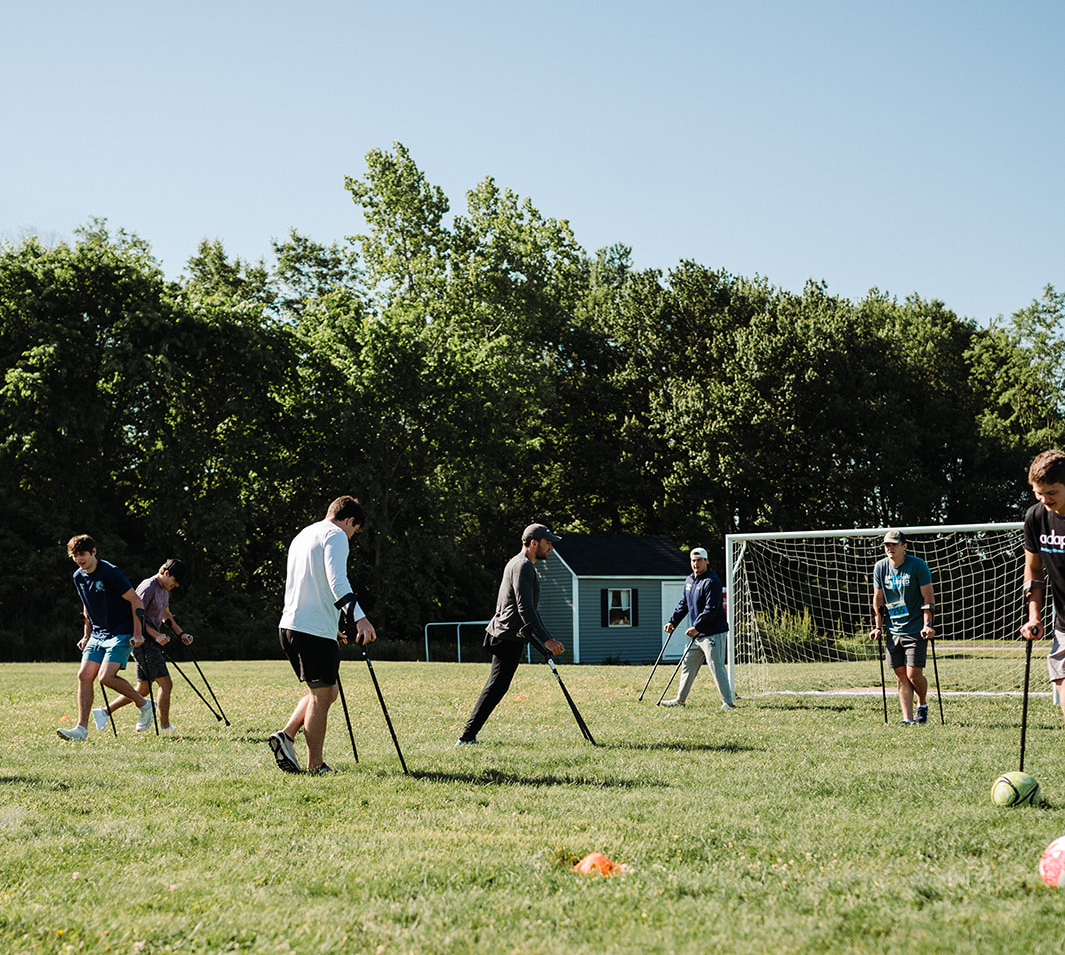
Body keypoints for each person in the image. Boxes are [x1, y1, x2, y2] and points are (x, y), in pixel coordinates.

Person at [269, 496, 377, 775]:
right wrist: (360, 618)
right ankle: (315, 766)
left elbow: (309, 583)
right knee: (321, 696)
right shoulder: (337, 535)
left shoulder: (304, 534)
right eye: (355, 530)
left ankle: (287, 736)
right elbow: (337, 579)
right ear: (350, 521)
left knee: (328, 692)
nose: (352, 536)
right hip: (310, 630)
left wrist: (332, 626)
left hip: (295, 625)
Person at [456, 523, 566, 745]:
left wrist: (546, 635)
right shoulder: (523, 566)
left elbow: (529, 610)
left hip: (507, 634)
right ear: (533, 543)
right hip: (506, 636)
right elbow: (525, 608)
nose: (551, 547)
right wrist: (546, 639)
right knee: (496, 687)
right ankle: (466, 737)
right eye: (548, 543)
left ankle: (468, 737)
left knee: (497, 686)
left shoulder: (519, 564)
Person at [58, 535, 155, 740]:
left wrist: (137, 633)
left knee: (105, 677)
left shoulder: (110, 573)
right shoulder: (78, 576)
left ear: (93, 552)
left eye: (82, 554)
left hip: (121, 631)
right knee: (84, 675)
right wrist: (87, 635)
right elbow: (88, 606)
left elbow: (136, 601)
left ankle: (144, 705)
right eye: (75, 556)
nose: (79, 559)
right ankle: (81, 730)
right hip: (98, 634)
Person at [93, 559, 192, 733]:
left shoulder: (164, 589)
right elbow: (136, 616)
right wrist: (156, 635)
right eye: (175, 581)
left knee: (143, 689)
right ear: (166, 574)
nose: (176, 585)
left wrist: (181, 634)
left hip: (150, 641)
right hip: (142, 642)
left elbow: (166, 615)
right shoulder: (148, 587)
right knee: (166, 684)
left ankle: (104, 712)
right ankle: (165, 727)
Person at [869, 529, 935, 725]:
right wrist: (878, 627)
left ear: (904, 546)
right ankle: (907, 719)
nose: (890, 548)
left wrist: (927, 624)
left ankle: (922, 705)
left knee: (913, 673)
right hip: (893, 629)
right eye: (887, 545)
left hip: (915, 627)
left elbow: (928, 597)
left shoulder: (917, 566)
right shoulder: (880, 567)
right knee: (900, 674)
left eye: (894, 544)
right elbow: (878, 600)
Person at [1020, 449, 1065, 720]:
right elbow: (1033, 569)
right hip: (1063, 622)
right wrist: (1034, 616)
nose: (1044, 499)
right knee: (1061, 680)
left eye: (1052, 492)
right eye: (1038, 492)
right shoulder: (1036, 518)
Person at [661, 547, 735, 710]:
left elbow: (711, 609)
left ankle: (728, 703)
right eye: (693, 561)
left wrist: (696, 627)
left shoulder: (712, 582)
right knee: (687, 664)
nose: (696, 564)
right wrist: (673, 622)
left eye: (699, 560)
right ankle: (680, 700)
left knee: (716, 666)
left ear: (706, 561)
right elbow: (684, 604)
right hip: (697, 633)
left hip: (713, 633)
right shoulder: (689, 580)